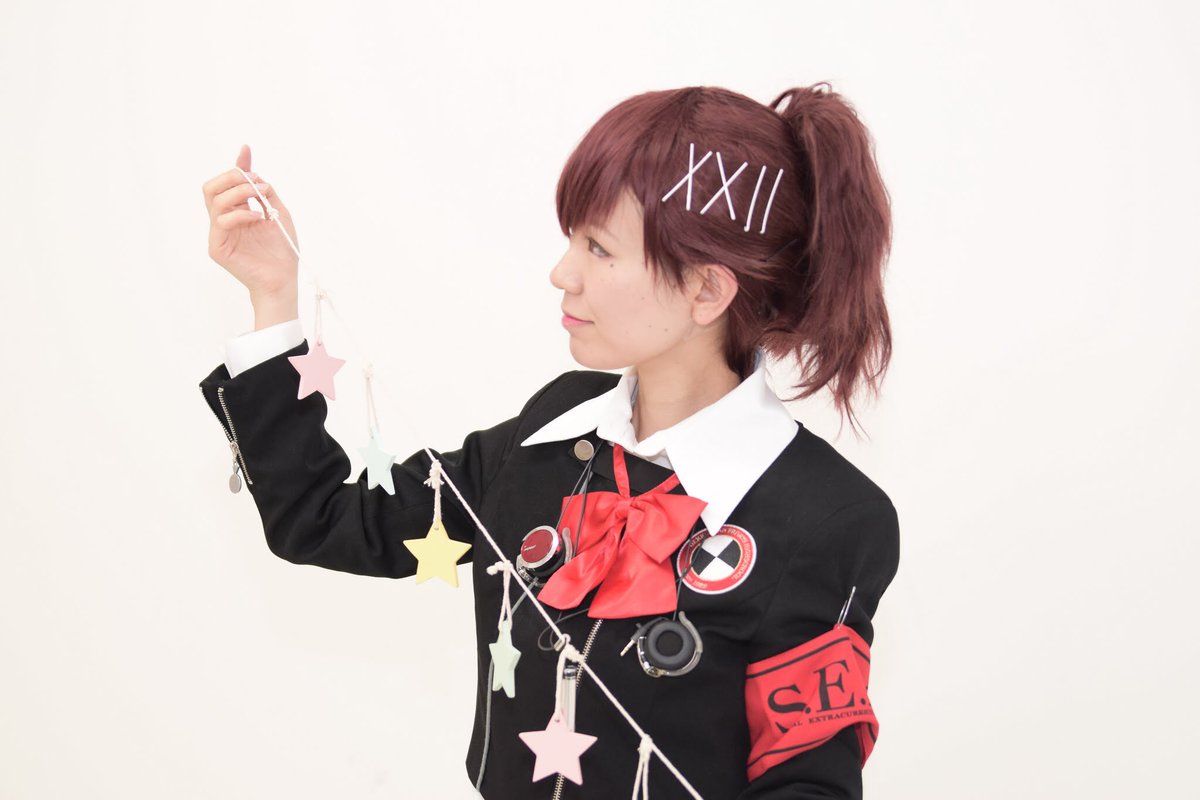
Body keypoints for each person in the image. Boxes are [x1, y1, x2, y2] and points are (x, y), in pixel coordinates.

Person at [198, 83, 900, 799]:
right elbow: (321, 518)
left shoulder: (827, 516)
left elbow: (807, 783)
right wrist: (272, 296)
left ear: (705, 292)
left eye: (599, 248)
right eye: (572, 241)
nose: (562, 273)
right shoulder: (550, 433)